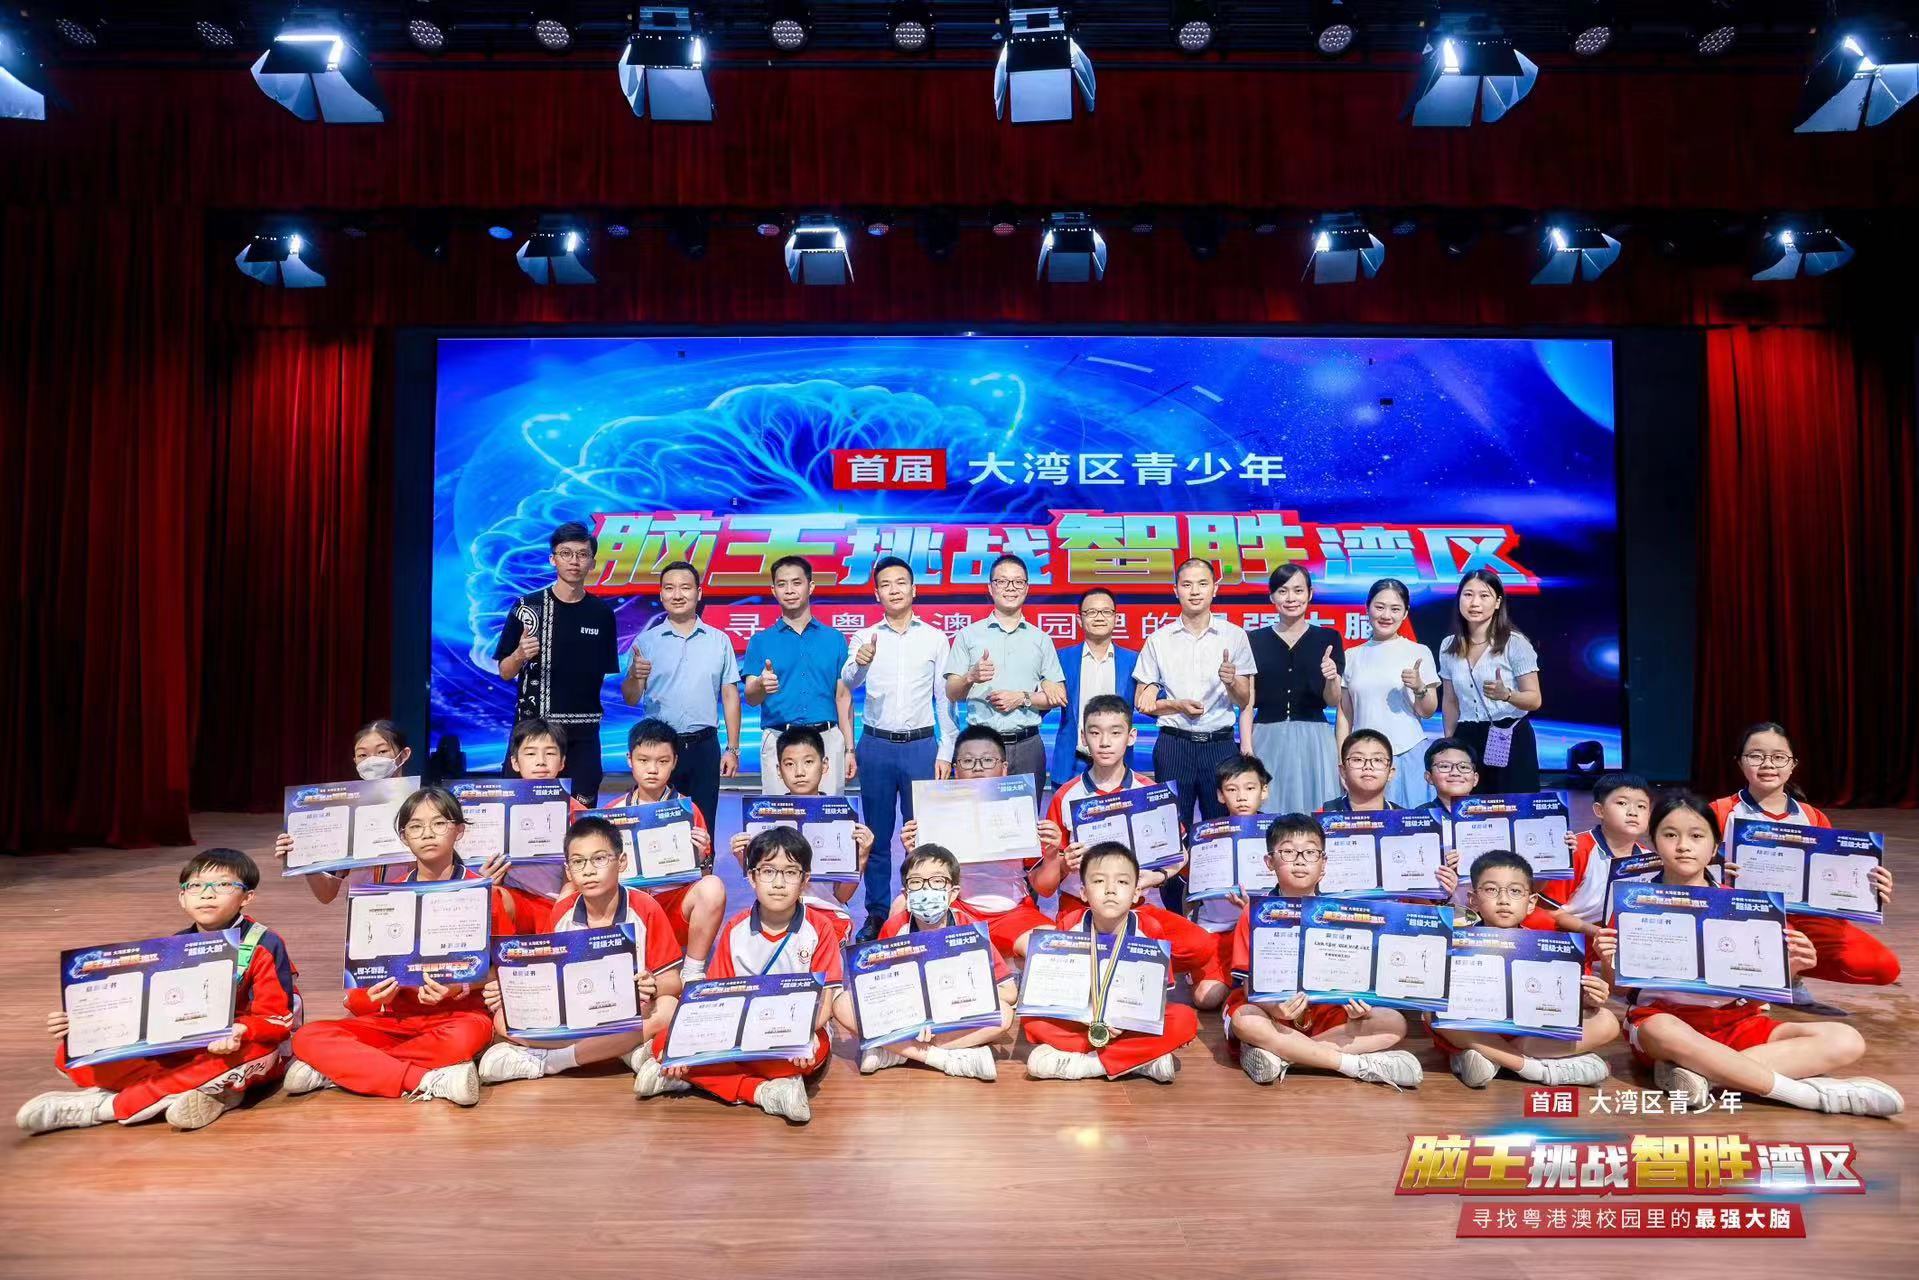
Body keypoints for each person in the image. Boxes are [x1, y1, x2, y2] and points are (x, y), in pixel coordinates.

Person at [1595, 792, 1901, 1116]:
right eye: (1670, 835)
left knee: (1846, 1039)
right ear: (1654, 843)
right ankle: (1807, 1096)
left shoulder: (1743, 904)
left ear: (1714, 846)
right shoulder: (1635, 904)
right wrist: (1607, 960)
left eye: (1696, 836)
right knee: (1661, 1029)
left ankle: (1701, 1075)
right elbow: (1622, 991)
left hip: (1738, 1023)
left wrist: (1791, 969)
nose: (1683, 846)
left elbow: (1759, 990)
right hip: (1666, 1024)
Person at [284, 787, 548, 1105]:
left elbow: (505, 970)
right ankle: (427, 1079)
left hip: (459, 1018)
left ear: (459, 830)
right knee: (308, 1037)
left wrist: (460, 986)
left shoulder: (485, 894)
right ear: (403, 836)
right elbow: (362, 983)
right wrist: (374, 993)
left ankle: (340, 1069)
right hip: (395, 1020)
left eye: (439, 823)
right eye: (416, 826)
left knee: (462, 1039)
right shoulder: (382, 898)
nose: (427, 833)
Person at [18, 849, 300, 1135]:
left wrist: (240, 1030)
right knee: (70, 1055)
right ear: (182, 898)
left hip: (248, 1045)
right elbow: (148, 1014)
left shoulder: (264, 944)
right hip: (192, 1045)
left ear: (247, 897)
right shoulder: (174, 946)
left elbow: (279, 1023)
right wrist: (83, 1023)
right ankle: (212, 1090)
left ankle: (103, 1107)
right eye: (196, 885)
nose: (207, 894)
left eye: (224, 885)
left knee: (243, 1056)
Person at [650, 828, 843, 1124]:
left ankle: (696, 1076)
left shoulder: (820, 929)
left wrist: (799, 1036)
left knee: (803, 1058)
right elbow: (718, 1000)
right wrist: (687, 1045)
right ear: (752, 877)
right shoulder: (735, 929)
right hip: (741, 1032)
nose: (778, 883)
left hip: (796, 1033)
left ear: (805, 880)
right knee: (663, 1043)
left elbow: (825, 1006)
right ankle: (764, 1092)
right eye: (768, 871)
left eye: (790, 872)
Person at [477, 816, 685, 1087]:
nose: (588, 870)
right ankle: (622, 1050)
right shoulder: (562, 912)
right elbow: (545, 976)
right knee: (503, 1019)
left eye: (599, 859)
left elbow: (673, 981)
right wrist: (509, 991)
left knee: (668, 1008)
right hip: (576, 1015)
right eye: (578, 862)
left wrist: (652, 985)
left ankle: (550, 1061)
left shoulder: (645, 907)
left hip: (627, 1013)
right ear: (568, 869)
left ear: (621, 862)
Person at [1710, 722, 1899, 1015]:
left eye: (1778, 757)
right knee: (1769, 936)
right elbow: (1686, 871)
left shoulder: (1812, 816)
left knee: (1882, 966)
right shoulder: (1719, 812)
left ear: (1793, 764)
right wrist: (1717, 874)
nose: (1767, 764)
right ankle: (1754, 980)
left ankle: (1786, 973)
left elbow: (1832, 878)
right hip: (1744, 915)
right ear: (1740, 762)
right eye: (1756, 756)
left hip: (1807, 916)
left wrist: (1870, 887)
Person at [1225, 814, 1425, 1089]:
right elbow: (1248, 986)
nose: (1300, 861)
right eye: (1288, 852)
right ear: (1270, 862)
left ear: (1324, 863)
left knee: (1393, 1023)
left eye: (1310, 852)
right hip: (1274, 1013)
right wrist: (1275, 1008)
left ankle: (1283, 1055)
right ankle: (1354, 1065)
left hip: (1326, 1015)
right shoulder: (1254, 913)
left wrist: (1357, 1007)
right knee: (1245, 1020)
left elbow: (1355, 981)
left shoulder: (1341, 913)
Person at [840, 555, 956, 945]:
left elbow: (944, 699)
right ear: (877, 594)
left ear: (914, 589)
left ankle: (922, 909)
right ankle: (876, 913)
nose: (894, 589)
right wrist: (860, 663)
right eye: (886, 584)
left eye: (901, 582)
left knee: (921, 835)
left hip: (921, 746)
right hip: (875, 746)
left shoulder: (935, 638)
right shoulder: (865, 637)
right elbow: (848, 681)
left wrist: (946, 749)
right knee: (876, 836)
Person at [1021, 843, 1206, 1084]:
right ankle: (1140, 1060)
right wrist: (1089, 1016)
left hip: (1129, 1024)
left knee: (1183, 1019)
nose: (1110, 889)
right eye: (1099, 881)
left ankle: (1089, 1064)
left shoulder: (1150, 928)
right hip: (1083, 1021)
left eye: (1122, 882)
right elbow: (1056, 991)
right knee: (1032, 1021)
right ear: (1083, 892)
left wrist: (1125, 1020)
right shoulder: (1069, 924)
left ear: (1136, 892)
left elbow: (1156, 1000)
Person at [1430, 851, 1617, 1088]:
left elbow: (1574, 999)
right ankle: (1533, 1068)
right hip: (1476, 1029)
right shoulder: (1454, 940)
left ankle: (1491, 1059)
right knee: (1432, 1012)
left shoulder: (1548, 944)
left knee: (1607, 1021)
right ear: (1473, 900)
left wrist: (1590, 997)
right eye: (1491, 890)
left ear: (1531, 903)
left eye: (1515, 891)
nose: (1504, 900)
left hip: (1528, 1035)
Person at [1134, 558, 1256, 911]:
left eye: (1202, 583)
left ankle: (1220, 911)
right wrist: (1175, 705)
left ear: (1215, 588)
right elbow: (1143, 701)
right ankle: (1175, 911)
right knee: (1172, 832)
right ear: (1175, 590)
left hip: (1219, 745)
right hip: (1174, 744)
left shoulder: (1234, 636)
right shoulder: (1159, 639)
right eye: (1187, 584)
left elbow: (1245, 699)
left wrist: (1232, 681)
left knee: (1221, 830)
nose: (1195, 591)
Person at [834, 844, 1015, 1081]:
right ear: (906, 893)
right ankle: (942, 1058)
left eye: (937, 881)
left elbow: (1009, 991)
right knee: (843, 1004)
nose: (926, 889)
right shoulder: (895, 926)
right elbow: (875, 986)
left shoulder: (970, 930)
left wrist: (958, 998)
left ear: (953, 892)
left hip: (953, 1014)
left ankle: (897, 1051)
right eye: (916, 882)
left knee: (1005, 1014)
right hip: (905, 1015)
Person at [898, 724, 1064, 963]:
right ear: (955, 769)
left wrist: (1051, 855)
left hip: (1012, 914)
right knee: (899, 910)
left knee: (1053, 948)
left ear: (1004, 768)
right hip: (955, 912)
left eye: (987, 760)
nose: (977, 768)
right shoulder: (935, 813)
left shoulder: (1020, 811)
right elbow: (921, 882)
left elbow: (1045, 889)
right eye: (967, 761)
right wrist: (914, 852)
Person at [494, 521, 620, 806]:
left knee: (581, 815)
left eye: (582, 554)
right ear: (553, 559)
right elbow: (504, 672)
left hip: (583, 735)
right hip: (534, 734)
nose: (574, 561)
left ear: (592, 563)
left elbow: (602, 675)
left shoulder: (602, 614)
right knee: (520, 812)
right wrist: (519, 655)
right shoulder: (527, 608)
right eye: (566, 553)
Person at [619, 559, 742, 830]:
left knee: (703, 824)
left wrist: (732, 749)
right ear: (661, 594)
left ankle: (705, 860)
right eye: (669, 588)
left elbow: (730, 696)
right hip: (660, 748)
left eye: (685, 587)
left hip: (704, 746)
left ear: (698, 593)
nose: (677, 595)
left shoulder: (719, 640)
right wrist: (635, 676)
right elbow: (630, 697)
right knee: (659, 825)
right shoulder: (646, 642)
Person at [726, 726, 876, 941]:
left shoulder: (841, 819)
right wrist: (743, 857)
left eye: (808, 762)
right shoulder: (764, 820)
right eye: (789, 764)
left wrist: (861, 857)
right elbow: (763, 887)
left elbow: (842, 896)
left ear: (824, 765)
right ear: (779, 770)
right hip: (777, 912)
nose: (799, 772)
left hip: (826, 912)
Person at [605, 719, 727, 981]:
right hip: (629, 905)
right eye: (643, 760)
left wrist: (700, 857)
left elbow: (703, 876)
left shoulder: (688, 810)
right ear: (629, 760)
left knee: (713, 887)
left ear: (674, 762)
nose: (653, 769)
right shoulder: (611, 813)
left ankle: (692, 970)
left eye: (662, 761)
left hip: (672, 904)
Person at [942, 553, 1067, 796]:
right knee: (980, 813)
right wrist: (970, 677)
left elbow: (1057, 696)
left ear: (1026, 588)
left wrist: (1022, 698)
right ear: (990, 588)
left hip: (1027, 745)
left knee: (1025, 815)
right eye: (1002, 581)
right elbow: (951, 693)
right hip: (982, 745)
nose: (1011, 588)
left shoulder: (1041, 639)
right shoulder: (968, 635)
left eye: (1018, 582)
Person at [742, 556, 855, 795]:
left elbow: (843, 697)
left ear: (810, 586)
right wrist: (761, 684)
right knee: (778, 816)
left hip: (826, 740)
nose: (789, 590)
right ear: (773, 590)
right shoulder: (760, 641)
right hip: (779, 740)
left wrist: (849, 749)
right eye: (782, 584)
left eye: (796, 583)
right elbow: (751, 698)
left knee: (829, 814)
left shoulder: (834, 639)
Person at [274, 720, 419, 901]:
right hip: (362, 911)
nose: (371, 760)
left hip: (415, 907)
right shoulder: (343, 813)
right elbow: (326, 894)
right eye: (363, 755)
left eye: (382, 751)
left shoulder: (425, 806)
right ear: (355, 761)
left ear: (404, 755)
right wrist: (303, 856)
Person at [1244, 565, 1344, 816]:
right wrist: (1246, 745)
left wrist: (1332, 677)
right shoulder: (1254, 640)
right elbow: (1247, 701)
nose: (1291, 598)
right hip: (1266, 736)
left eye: (1298, 590)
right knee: (1267, 810)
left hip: (1315, 738)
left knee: (1316, 812)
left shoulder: (1328, 638)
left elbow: (1333, 700)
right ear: (1272, 596)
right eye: (1283, 591)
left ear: (1310, 594)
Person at [1438, 569, 1543, 794]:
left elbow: (1534, 699)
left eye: (1484, 595)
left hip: (1509, 734)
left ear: (1497, 602)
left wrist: (1507, 695)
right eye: (1468, 595)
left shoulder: (1515, 643)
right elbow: (1450, 701)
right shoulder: (1448, 646)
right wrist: (1450, 743)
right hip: (1466, 736)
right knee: (1471, 806)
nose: (1474, 603)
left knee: (1514, 805)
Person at [1338, 578, 1438, 808]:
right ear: (1367, 608)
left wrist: (1419, 688)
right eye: (1380, 607)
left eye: (1395, 609)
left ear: (1405, 613)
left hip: (1408, 751)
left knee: (1412, 821)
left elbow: (1428, 711)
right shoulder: (1352, 656)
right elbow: (1345, 716)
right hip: (1364, 759)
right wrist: (1342, 760)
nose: (1386, 615)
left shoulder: (1418, 651)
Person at [1543, 771, 1656, 937]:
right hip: (1571, 935)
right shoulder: (1577, 849)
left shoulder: (1649, 858)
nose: (1633, 812)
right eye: (1622, 803)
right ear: (1599, 810)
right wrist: (1595, 932)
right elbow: (1548, 911)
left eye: (1641, 806)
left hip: (1615, 935)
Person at [1051, 587, 1141, 783]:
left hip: (1119, 766)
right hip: (1072, 764)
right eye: (1091, 612)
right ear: (1079, 619)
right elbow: (1042, 703)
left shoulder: (1134, 661)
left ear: (1116, 618)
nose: (1099, 617)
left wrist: (1154, 689)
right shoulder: (1061, 659)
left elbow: (1151, 702)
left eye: (1106, 611)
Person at [1319, 729, 1403, 812]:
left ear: (1390, 772)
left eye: (1377, 760)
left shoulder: (1403, 817)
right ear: (1343, 771)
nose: (1368, 766)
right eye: (1358, 759)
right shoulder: (1324, 814)